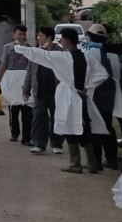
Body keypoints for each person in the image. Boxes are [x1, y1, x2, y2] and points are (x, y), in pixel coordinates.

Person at [17, 29, 108, 173]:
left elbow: (42, 55)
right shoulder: (86, 57)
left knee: (69, 127)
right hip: (81, 96)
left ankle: (75, 163)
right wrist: (87, 86)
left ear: (66, 41)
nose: (60, 42)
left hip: (68, 97)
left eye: (62, 40)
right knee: (84, 127)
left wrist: (20, 48)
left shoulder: (63, 57)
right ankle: (92, 163)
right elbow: (103, 74)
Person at [83, 23, 122, 170]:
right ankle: (111, 159)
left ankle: (96, 161)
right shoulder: (113, 52)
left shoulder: (89, 50)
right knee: (108, 125)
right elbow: (118, 75)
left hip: (95, 92)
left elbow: (87, 74)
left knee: (95, 126)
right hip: (111, 92)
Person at [28, 25, 64, 154]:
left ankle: (56, 144)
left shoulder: (61, 52)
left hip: (57, 92)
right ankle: (39, 144)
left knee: (57, 118)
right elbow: (29, 72)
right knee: (39, 118)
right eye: (38, 36)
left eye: (41, 36)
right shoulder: (36, 52)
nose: (39, 38)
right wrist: (26, 88)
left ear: (49, 38)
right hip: (40, 91)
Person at [0, 24, 33, 145]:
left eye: (24, 34)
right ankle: (14, 133)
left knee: (27, 109)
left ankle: (27, 137)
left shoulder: (30, 48)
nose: (22, 37)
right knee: (14, 108)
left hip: (26, 80)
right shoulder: (7, 48)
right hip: (12, 80)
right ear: (14, 35)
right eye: (20, 34)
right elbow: (3, 66)